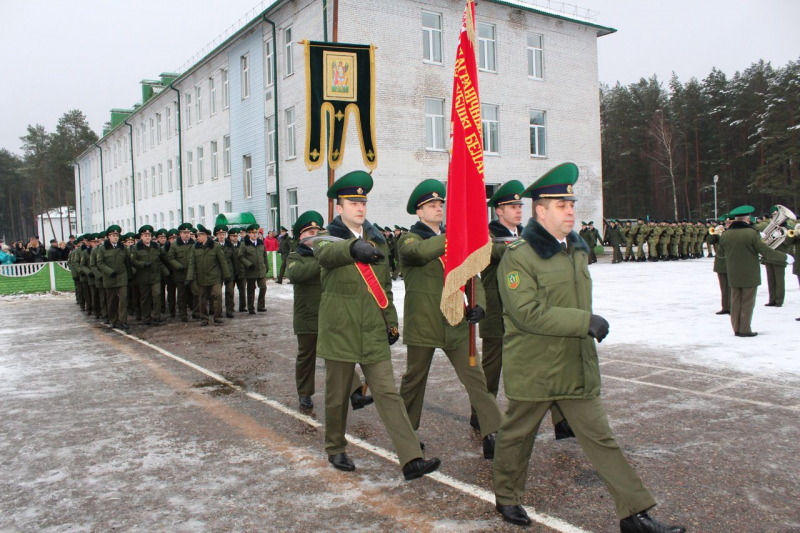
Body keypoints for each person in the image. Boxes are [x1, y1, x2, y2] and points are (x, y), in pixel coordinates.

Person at [491, 163, 685, 533]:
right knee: (517, 436)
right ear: (540, 210)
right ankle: (508, 497)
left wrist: (583, 329)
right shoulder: (520, 255)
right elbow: (527, 313)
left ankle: (634, 514)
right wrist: (585, 322)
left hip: (576, 363)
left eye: (571, 204)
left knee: (601, 439)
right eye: (561, 205)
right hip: (536, 366)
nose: (570, 210)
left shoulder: (576, 250)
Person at [314, 170, 439, 480]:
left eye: (363, 202)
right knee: (337, 394)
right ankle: (335, 447)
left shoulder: (376, 240)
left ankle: (411, 459)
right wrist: (351, 249)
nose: (360, 207)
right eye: (352, 202)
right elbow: (327, 255)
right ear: (339, 207)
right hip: (340, 329)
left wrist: (391, 321)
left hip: (371, 328)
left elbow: (383, 285)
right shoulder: (326, 239)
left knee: (388, 393)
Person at [397, 179, 502, 458]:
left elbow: (472, 275)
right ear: (419, 212)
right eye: (431, 205)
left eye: (440, 204)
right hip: (424, 323)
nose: (438, 208)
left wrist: (481, 304)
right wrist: (456, 234)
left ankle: (492, 432)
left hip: (454, 319)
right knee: (414, 381)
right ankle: (406, 435)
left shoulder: (453, 238)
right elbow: (418, 254)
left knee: (475, 378)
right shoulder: (409, 238)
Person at [286, 210, 372, 411]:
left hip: (331, 315)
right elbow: (297, 274)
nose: (314, 234)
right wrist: (324, 259)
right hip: (307, 317)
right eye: (309, 232)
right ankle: (305, 393)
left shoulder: (329, 254)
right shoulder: (295, 256)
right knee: (306, 357)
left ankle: (355, 393)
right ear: (300, 236)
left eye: (317, 230)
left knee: (339, 353)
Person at [717, 205, 791, 337]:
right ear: (747, 218)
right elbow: (766, 251)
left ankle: (736, 328)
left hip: (733, 272)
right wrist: (784, 256)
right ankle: (745, 329)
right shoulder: (751, 233)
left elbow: (721, 253)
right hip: (750, 272)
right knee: (747, 301)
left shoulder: (725, 234)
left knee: (735, 301)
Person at [187, 224, 230, 326]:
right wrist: (189, 277)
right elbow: (192, 263)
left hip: (215, 277)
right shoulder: (194, 248)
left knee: (218, 295)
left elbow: (222, 262)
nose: (198, 238)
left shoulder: (215, 246)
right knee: (202, 298)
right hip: (201, 278)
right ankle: (204, 318)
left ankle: (217, 316)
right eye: (197, 235)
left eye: (200, 235)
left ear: (205, 235)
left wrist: (227, 275)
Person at [130, 225, 168, 327]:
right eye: (145, 235)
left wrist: (166, 272)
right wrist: (142, 264)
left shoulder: (156, 247)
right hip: (143, 277)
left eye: (149, 235)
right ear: (141, 236)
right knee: (145, 298)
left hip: (155, 276)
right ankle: (146, 317)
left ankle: (157, 316)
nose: (147, 237)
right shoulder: (135, 248)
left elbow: (161, 260)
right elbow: (133, 261)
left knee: (157, 295)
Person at [96, 225, 132, 330]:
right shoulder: (103, 249)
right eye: (113, 235)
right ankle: (113, 320)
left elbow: (127, 263)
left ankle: (123, 321)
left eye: (117, 235)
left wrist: (129, 276)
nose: (115, 237)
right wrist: (110, 272)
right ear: (108, 237)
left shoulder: (122, 248)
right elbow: (100, 263)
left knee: (123, 299)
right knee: (111, 300)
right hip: (109, 278)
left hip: (122, 277)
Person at [238, 224, 269, 314]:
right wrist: (248, 264)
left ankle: (261, 306)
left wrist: (267, 267)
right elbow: (240, 257)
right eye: (252, 233)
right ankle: (251, 307)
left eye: (256, 233)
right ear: (249, 234)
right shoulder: (244, 245)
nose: (255, 235)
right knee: (251, 289)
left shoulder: (261, 244)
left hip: (261, 270)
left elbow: (265, 256)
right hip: (250, 271)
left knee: (263, 287)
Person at [168, 223, 195, 322]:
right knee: (182, 295)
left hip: (192, 274)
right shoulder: (175, 245)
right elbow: (170, 258)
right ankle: (183, 314)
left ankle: (195, 312)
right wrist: (178, 266)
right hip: (181, 274)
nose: (187, 235)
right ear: (180, 234)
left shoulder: (194, 244)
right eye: (184, 233)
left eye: (188, 232)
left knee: (194, 294)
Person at [706, 218, 731, 315]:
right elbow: (710, 240)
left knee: (732, 287)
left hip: (731, 261)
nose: (727, 225)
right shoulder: (720, 232)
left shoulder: (734, 232)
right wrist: (715, 233)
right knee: (724, 287)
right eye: (727, 223)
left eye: (730, 223)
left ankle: (732, 306)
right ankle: (725, 307)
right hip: (721, 262)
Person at [90, 231, 109, 323]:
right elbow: (92, 265)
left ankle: (113, 314)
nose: (104, 241)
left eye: (105, 239)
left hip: (111, 277)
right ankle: (105, 314)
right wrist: (99, 275)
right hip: (101, 278)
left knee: (112, 297)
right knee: (103, 297)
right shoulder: (95, 251)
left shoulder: (110, 248)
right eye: (102, 239)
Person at [79, 234, 95, 316]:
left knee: (95, 294)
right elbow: (79, 264)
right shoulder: (83, 251)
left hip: (97, 275)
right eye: (85, 241)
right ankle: (89, 307)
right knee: (87, 293)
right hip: (86, 275)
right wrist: (83, 271)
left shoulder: (97, 250)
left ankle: (95, 309)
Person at [67, 236, 84, 308]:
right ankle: (80, 300)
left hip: (84, 273)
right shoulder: (73, 253)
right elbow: (72, 264)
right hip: (78, 273)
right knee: (79, 288)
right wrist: (75, 274)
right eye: (81, 243)